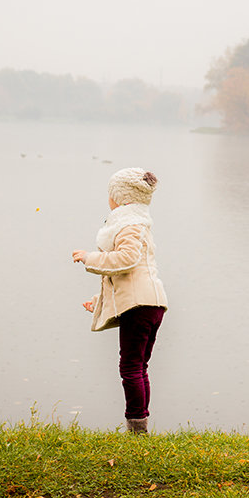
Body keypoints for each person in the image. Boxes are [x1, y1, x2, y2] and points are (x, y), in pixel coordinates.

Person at [72, 167, 168, 435]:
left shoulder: (129, 225)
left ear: (122, 199)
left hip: (140, 306)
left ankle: (137, 428)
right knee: (139, 366)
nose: (108, 200)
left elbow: (126, 260)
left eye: (110, 195)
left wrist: (89, 257)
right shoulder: (139, 225)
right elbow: (131, 277)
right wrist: (99, 301)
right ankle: (140, 425)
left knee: (130, 367)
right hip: (151, 303)